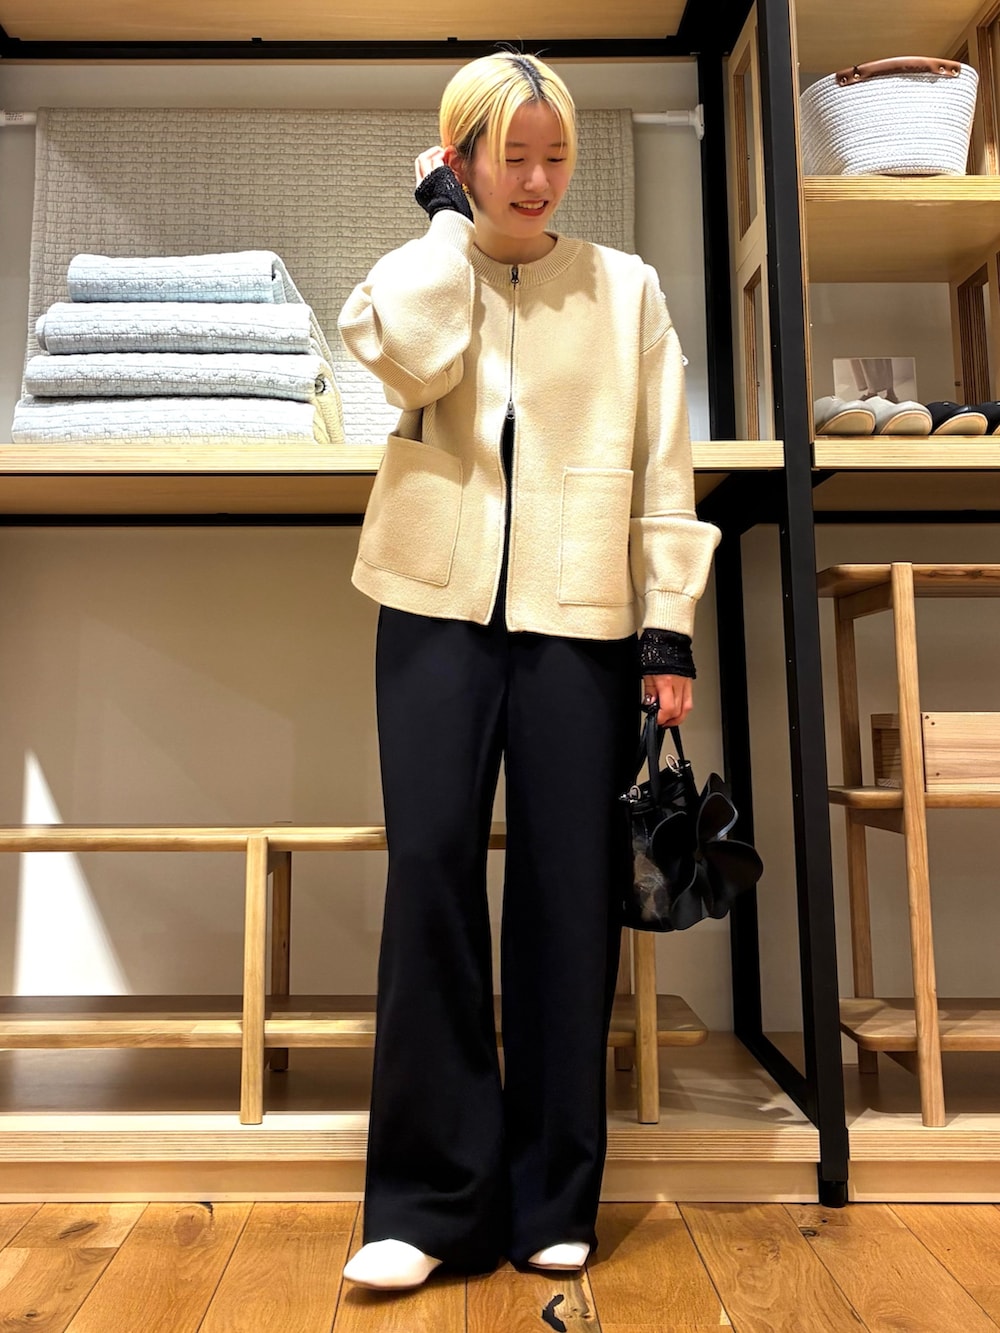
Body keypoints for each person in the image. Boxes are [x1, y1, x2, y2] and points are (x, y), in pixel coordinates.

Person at [337, 52, 720, 1291]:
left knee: (567, 889)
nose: (540, 180)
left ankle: (553, 1192)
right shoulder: (431, 271)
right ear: (461, 161)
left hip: (583, 618)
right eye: (513, 158)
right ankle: (424, 1206)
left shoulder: (625, 288)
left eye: (557, 157)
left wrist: (667, 630)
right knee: (431, 876)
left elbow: (664, 461)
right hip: (432, 608)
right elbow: (403, 360)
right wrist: (444, 231)